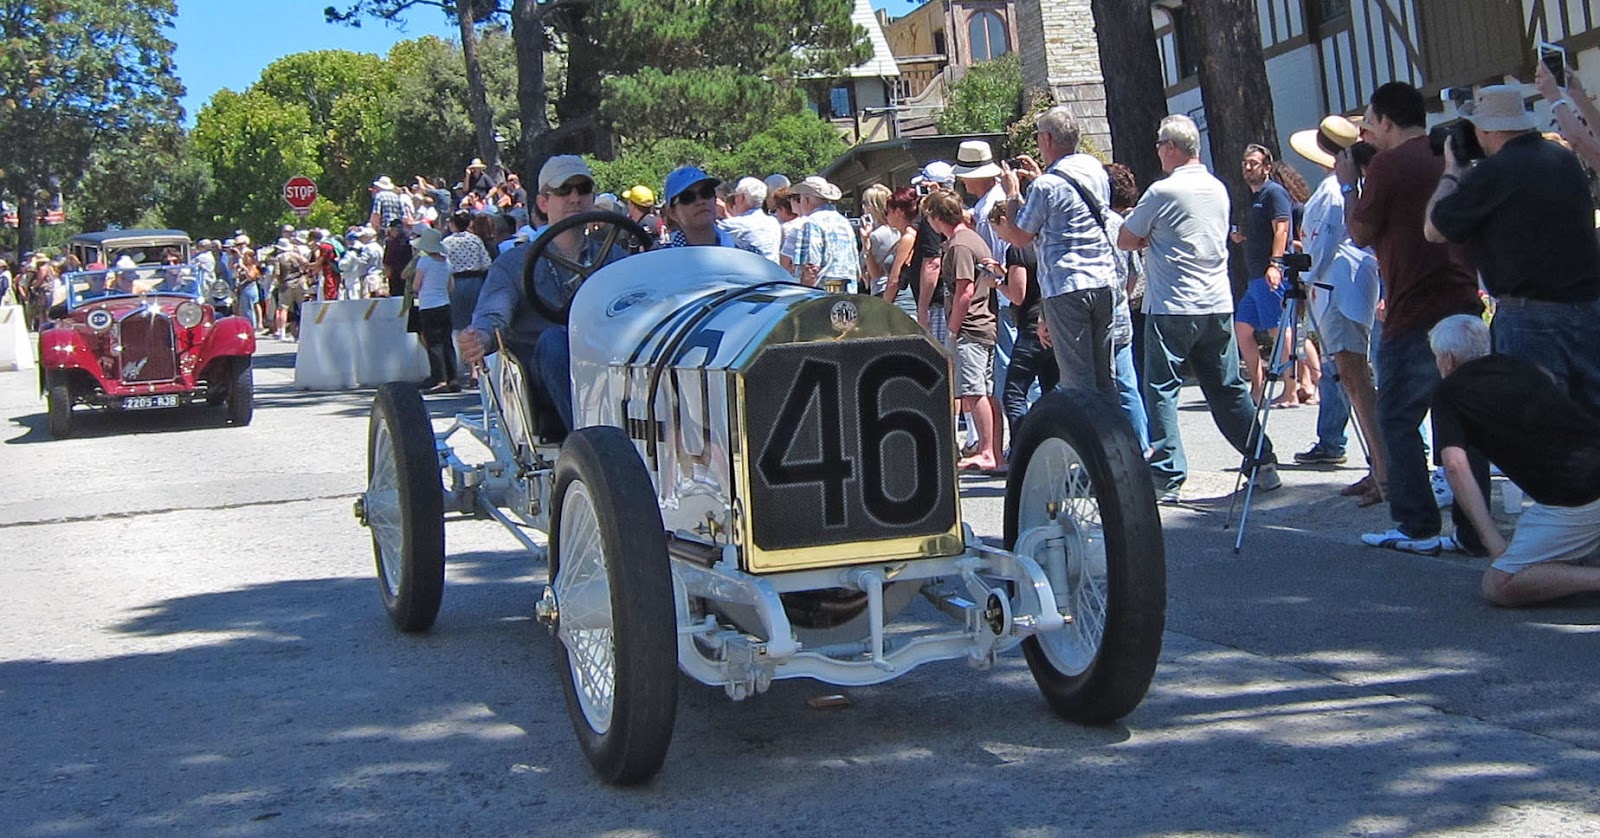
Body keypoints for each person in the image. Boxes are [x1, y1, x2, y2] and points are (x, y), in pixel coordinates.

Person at [1340, 81, 1488, 556]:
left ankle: (1415, 522)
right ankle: (1472, 526)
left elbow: (1360, 232)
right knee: (1465, 417)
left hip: (1412, 305)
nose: (1366, 132)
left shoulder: (1387, 164)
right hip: (1463, 297)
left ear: (1385, 121)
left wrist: (1349, 185)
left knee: (1396, 416)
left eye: (1369, 122)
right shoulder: (1450, 154)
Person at [1117, 114, 1280, 503]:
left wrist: (1148, 240)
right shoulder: (1218, 188)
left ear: (1172, 148)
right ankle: (1263, 460)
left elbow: (1126, 237)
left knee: (1159, 388)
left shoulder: (1162, 192)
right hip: (1216, 300)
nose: (1157, 150)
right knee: (1227, 388)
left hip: (1171, 303)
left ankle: (1167, 473)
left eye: (1160, 144)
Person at [1425, 84, 1600, 410]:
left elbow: (1434, 229)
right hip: (1586, 308)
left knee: (1537, 425)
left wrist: (1452, 171)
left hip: (1528, 316)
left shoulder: (1494, 172)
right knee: (1589, 419)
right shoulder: (1564, 160)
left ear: (1486, 129)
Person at [1425, 314, 1600, 605]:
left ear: (1447, 359)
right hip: (1589, 467)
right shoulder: (1519, 366)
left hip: (1575, 496)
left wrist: (1492, 541)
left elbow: (1455, 466)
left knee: (1499, 585)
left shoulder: (1449, 392)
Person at [457, 155, 625, 435]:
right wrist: (481, 337)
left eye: (582, 189)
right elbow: (493, 315)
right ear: (543, 202)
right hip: (541, 375)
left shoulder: (614, 257)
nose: (574, 198)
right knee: (554, 339)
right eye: (563, 190)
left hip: (609, 364)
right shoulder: (513, 264)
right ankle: (595, 446)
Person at [1289, 117, 1388, 506]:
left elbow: (1324, 242)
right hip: (1337, 285)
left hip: (1337, 287)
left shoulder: (1333, 191)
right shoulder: (1336, 188)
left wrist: (1305, 277)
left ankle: (1384, 469)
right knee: (1352, 376)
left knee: (1355, 376)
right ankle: (1378, 465)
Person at [993, 104, 1118, 397]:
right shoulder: (1094, 170)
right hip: (1102, 280)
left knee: (1078, 380)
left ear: (1047, 139)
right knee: (1105, 378)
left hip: (1066, 287)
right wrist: (1039, 178)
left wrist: (1012, 194)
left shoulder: (1046, 186)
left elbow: (1020, 235)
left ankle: (1087, 441)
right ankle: (1115, 439)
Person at [924, 189, 1001, 472]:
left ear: (935, 217)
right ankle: (993, 452)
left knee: (974, 391)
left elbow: (964, 290)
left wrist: (953, 329)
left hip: (971, 326)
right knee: (986, 391)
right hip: (984, 324)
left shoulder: (959, 245)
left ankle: (985, 451)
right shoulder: (969, 238)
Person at [1230, 144, 1296, 407]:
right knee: (1243, 328)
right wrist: (1242, 236)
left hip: (1271, 275)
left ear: (1267, 167)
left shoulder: (1274, 193)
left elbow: (1282, 230)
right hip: (1254, 276)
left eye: (1254, 163)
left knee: (1279, 330)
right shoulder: (1254, 197)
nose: (1248, 168)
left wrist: (1276, 264)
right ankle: (1257, 389)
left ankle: (1291, 388)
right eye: (1245, 163)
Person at [408, 227, 458, 393]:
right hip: (444, 303)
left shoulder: (424, 262)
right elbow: (451, 286)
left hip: (429, 305)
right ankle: (453, 377)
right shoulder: (446, 262)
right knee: (447, 341)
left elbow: (416, 285)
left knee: (433, 343)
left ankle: (439, 378)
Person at [908, 161, 954, 341]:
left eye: (923, 187)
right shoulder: (958, 213)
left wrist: (922, 308)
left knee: (938, 358)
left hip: (937, 304)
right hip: (948, 300)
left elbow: (933, 263)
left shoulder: (933, 218)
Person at [791, 176, 859, 292]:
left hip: (823, 292)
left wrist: (803, 293)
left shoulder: (811, 222)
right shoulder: (844, 222)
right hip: (848, 290)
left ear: (806, 199)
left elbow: (811, 267)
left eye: (800, 199)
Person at [662, 167, 743, 248]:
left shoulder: (746, 254)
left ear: (715, 199)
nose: (700, 202)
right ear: (673, 214)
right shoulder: (661, 258)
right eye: (687, 197)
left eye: (706, 192)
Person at [880, 186, 922, 319]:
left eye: (888, 211)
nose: (886, 215)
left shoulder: (908, 238)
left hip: (903, 304)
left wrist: (883, 306)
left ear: (898, 212)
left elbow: (894, 279)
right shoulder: (908, 235)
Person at [718, 176, 782, 261]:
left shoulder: (735, 225)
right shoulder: (773, 222)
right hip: (774, 271)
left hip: (752, 273)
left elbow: (709, 232)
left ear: (741, 197)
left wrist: (721, 211)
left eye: (736, 197)